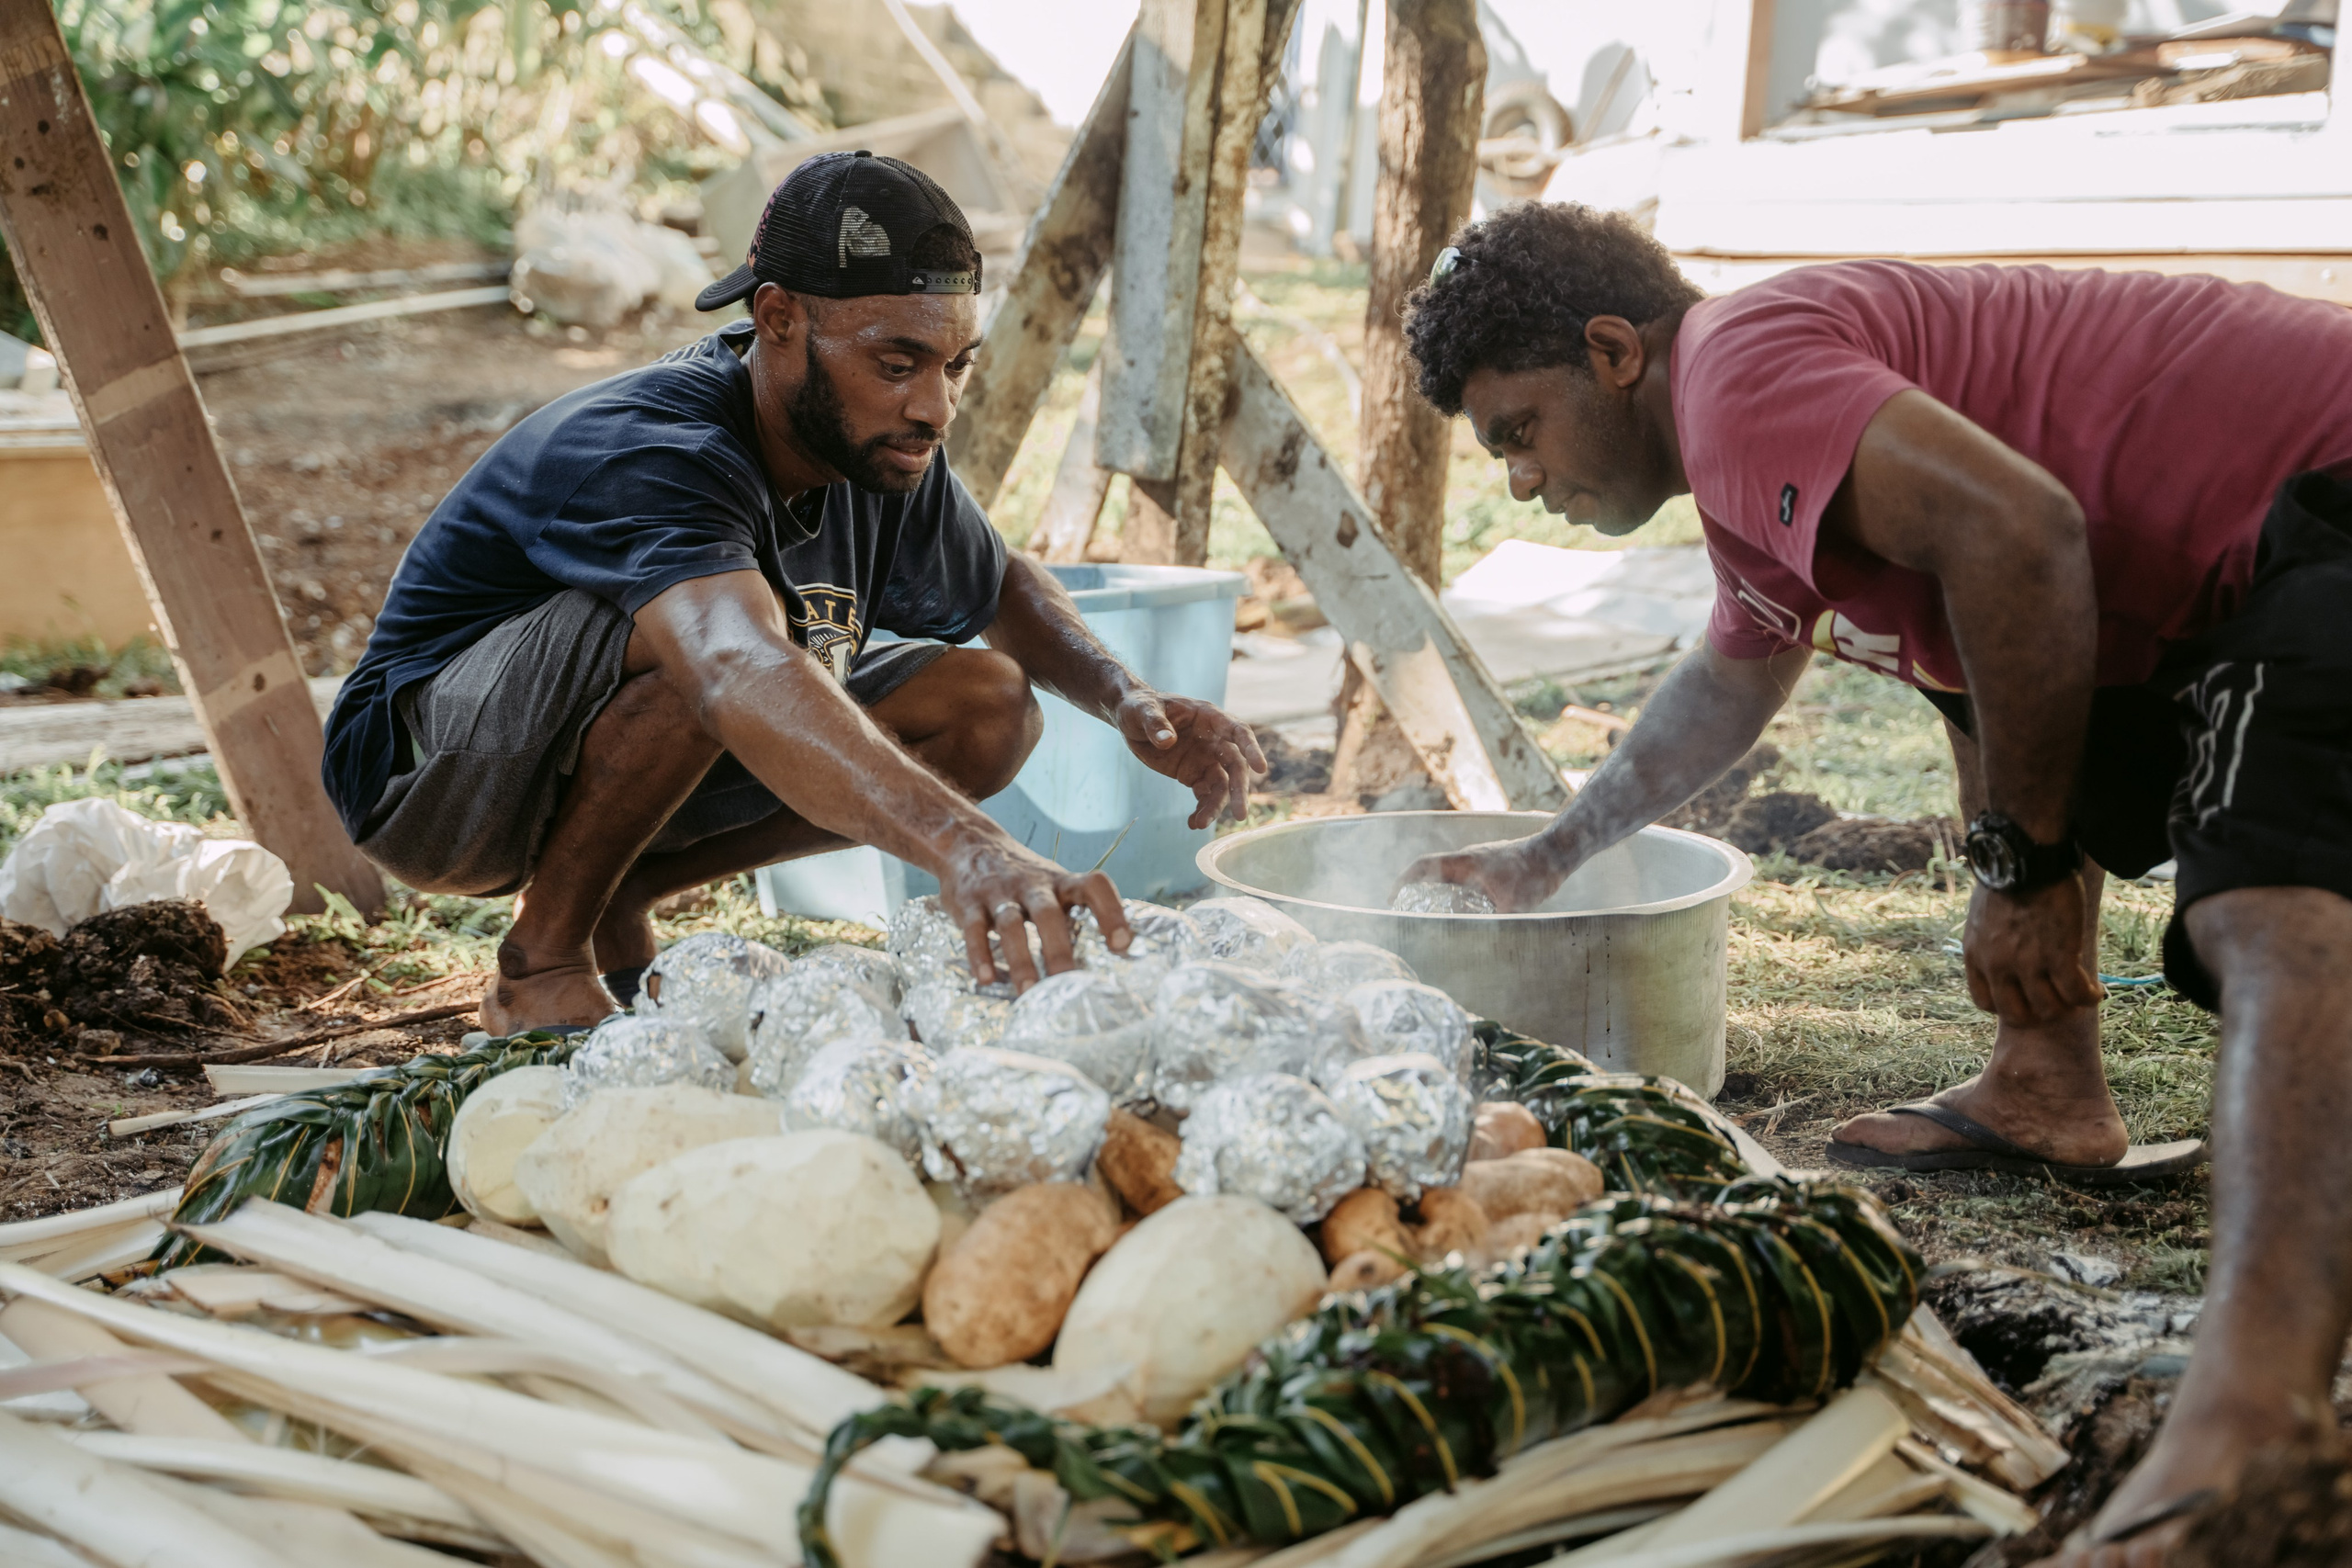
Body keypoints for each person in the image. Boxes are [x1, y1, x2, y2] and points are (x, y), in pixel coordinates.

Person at [1395, 202, 2352, 1564]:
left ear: (1613, 351)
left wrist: (2019, 868)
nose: (1521, 483)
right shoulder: (1745, 450)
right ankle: (2046, 1077)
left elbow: (2022, 532)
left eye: (1516, 432)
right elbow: (1737, 677)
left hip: (2330, 492)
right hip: (2247, 540)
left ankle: (2252, 1422)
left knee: (2275, 903)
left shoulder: (1735, 371)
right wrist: (1550, 851)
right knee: (1977, 675)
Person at [323, 152, 1264, 1033]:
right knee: (718, 643)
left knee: (987, 706)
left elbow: (1001, 585)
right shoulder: (663, 450)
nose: (933, 407)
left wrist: (1127, 697)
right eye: (897, 364)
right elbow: (732, 663)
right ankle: (541, 963)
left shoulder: (876, 440)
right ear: (777, 320)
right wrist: (969, 848)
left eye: (952, 366)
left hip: (627, 724)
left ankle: (623, 887)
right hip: (424, 775)